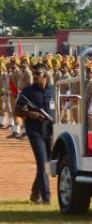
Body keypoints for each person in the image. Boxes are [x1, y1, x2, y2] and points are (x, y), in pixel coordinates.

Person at [14, 63, 55, 205]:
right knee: (42, 163)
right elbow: (17, 111)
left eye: (38, 73)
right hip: (35, 131)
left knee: (48, 163)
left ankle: (35, 193)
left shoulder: (54, 90)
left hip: (50, 130)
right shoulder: (28, 92)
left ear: (45, 74)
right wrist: (30, 113)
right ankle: (46, 198)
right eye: (34, 73)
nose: (35, 76)